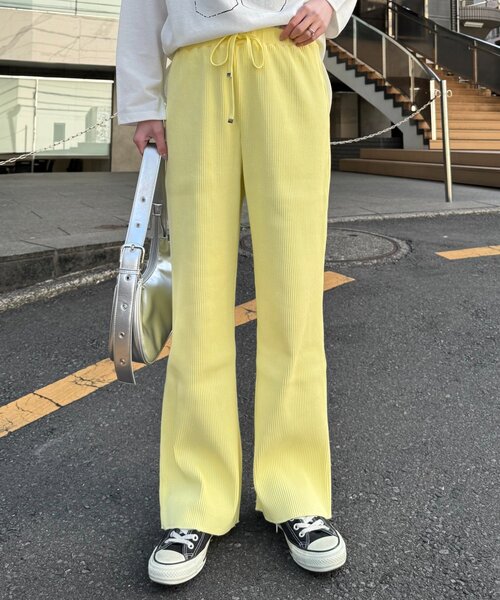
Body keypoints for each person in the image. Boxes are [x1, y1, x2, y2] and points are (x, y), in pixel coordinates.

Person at [116, 0, 357, 586]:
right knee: (196, 300)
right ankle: (194, 499)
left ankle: (297, 491)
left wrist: (331, 5)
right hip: (197, 71)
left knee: (296, 292)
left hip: (288, 55)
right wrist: (143, 102)